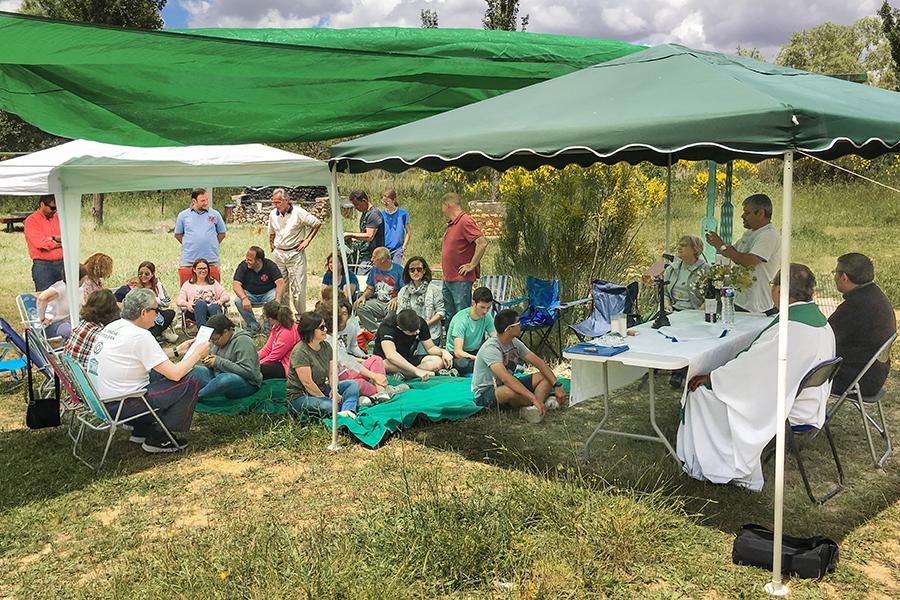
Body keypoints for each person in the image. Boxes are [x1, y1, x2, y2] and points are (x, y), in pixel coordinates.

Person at [676, 264, 836, 491]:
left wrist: (712, 377)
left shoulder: (790, 328)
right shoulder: (818, 319)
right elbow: (760, 368)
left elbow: (751, 370)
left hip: (792, 405)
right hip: (809, 399)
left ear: (779, 291)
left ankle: (712, 466)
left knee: (700, 393)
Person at [86, 288, 209, 453]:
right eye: (156, 310)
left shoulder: (114, 326)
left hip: (101, 400)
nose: (158, 315)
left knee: (156, 374)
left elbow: (143, 358)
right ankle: (160, 436)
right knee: (190, 379)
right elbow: (176, 374)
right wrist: (197, 354)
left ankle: (142, 428)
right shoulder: (140, 336)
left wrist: (176, 351)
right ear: (144, 313)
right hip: (121, 404)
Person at [471, 308, 568, 423]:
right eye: (518, 322)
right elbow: (505, 378)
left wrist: (557, 385)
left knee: (544, 377)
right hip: (486, 392)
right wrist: (533, 398)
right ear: (509, 329)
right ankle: (538, 403)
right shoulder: (491, 348)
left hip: (509, 384)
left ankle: (533, 410)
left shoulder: (515, 342)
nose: (521, 324)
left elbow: (539, 363)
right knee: (509, 391)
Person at [828, 253, 896, 396]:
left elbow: (825, 337)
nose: (834, 277)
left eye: (835, 273)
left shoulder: (856, 306)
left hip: (855, 380)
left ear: (844, 277)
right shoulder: (874, 294)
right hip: (874, 374)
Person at [319, 296, 407, 403]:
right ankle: (383, 392)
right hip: (338, 375)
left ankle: (380, 393)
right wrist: (372, 373)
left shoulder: (350, 327)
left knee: (376, 359)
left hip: (349, 368)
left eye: (345, 313)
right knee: (359, 383)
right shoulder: (326, 338)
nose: (343, 317)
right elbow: (344, 360)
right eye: (339, 314)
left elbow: (353, 347)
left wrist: (363, 356)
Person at [705, 194, 781, 314]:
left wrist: (722, 246)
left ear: (760, 213)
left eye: (747, 213)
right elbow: (732, 253)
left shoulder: (769, 235)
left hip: (757, 305)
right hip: (740, 300)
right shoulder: (750, 233)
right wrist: (717, 244)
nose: (742, 216)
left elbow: (749, 261)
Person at [287, 311, 360, 419]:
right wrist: (326, 398)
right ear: (311, 330)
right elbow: (307, 383)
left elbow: (331, 373)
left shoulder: (326, 346)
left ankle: (347, 412)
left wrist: (334, 390)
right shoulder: (300, 352)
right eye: (321, 328)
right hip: (300, 396)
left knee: (352, 385)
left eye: (325, 326)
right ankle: (342, 411)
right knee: (329, 405)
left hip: (321, 389)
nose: (325, 330)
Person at [268, 188, 321, 315]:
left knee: (298, 288)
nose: (275, 205)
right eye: (273, 202)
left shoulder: (298, 212)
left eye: (278, 202)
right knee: (281, 287)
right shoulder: (272, 214)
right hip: (279, 254)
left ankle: (301, 315)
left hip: (295, 253)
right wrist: (272, 246)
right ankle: (286, 316)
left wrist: (307, 240)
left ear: (286, 201)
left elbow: (317, 223)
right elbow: (271, 232)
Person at [183, 314, 262, 400]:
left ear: (226, 332)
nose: (214, 343)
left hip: (246, 383)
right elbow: (216, 362)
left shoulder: (243, 342)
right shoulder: (218, 340)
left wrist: (218, 362)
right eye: (211, 340)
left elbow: (249, 372)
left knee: (225, 380)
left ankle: (195, 397)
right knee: (192, 369)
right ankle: (182, 391)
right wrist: (209, 361)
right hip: (217, 375)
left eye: (216, 339)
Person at [440, 192, 488, 330]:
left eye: (442, 206)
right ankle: (451, 345)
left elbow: (482, 242)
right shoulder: (453, 223)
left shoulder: (465, 221)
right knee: (450, 315)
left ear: (448, 205)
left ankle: (464, 345)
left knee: (462, 314)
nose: (442, 209)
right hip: (449, 277)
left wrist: (471, 265)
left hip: (460, 279)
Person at [374, 308, 453, 380]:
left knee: (438, 361)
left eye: (417, 330)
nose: (416, 333)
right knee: (384, 363)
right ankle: (423, 373)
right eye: (412, 332)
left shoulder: (420, 322)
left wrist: (443, 352)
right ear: (400, 328)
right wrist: (416, 371)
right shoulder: (387, 326)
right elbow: (391, 355)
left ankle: (407, 375)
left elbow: (430, 348)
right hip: (387, 361)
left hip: (406, 359)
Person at [232, 246, 285, 334]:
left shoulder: (270, 265)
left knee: (274, 299)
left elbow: (280, 282)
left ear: (259, 261)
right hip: (250, 294)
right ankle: (253, 326)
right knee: (238, 300)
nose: (246, 261)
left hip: (267, 293)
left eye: (250, 260)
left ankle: (268, 327)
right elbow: (236, 284)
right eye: (246, 259)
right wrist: (244, 298)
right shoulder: (243, 266)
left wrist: (277, 300)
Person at [445, 287, 496, 375]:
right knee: (463, 364)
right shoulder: (461, 319)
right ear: (473, 303)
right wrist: (478, 359)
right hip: (458, 356)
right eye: (482, 307)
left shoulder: (487, 317)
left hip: (475, 352)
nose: (485, 311)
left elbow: (496, 338)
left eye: (488, 308)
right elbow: (458, 352)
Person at [64, 289, 119, 369]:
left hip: (70, 375)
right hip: (85, 379)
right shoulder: (100, 335)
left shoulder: (83, 324)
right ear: (110, 311)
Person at [394, 256, 444, 344]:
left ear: (424, 271)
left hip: (430, 332)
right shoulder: (403, 290)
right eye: (412, 270)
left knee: (422, 357)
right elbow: (400, 312)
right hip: (407, 332)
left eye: (419, 269)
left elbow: (441, 312)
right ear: (408, 272)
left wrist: (425, 325)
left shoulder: (434, 289)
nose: (415, 272)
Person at [354, 247, 404, 331]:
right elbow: (370, 288)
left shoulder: (399, 270)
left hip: (393, 304)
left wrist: (396, 299)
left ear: (383, 259)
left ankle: (386, 332)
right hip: (378, 302)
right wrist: (364, 296)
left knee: (393, 310)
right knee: (360, 306)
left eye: (374, 257)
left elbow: (405, 290)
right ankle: (375, 332)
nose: (371, 259)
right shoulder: (374, 270)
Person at [174, 188, 226, 269]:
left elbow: (222, 233)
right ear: (194, 201)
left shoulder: (215, 214)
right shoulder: (183, 216)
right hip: (189, 261)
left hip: (211, 260)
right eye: (202, 201)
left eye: (207, 200)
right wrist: (189, 244)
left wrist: (212, 243)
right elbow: (178, 234)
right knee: (187, 282)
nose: (206, 203)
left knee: (213, 281)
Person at [24, 194, 63, 291]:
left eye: (56, 208)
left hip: (62, 264)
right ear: (42, 204)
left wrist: (50, 239)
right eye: (52, 208)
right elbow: (41, 244)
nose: (54, 211)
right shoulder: (31, 221)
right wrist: (59, 242)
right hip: (44, 267)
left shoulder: (58, 218)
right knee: (45, 298)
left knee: (63, 298)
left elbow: (67, 237)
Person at [131, 261, 177, 342]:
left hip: (155, 313)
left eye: (147, 274)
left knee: (170, 313)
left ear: (152, 274)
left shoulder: (157, 285)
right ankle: (154, 336)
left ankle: (154, 335)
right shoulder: (135, 284)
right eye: (140, 273)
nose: (143, 276)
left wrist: (153, 297)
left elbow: (166, 302)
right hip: (140, 314)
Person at [177, 258, 230, 328]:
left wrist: (220, 301)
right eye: (200, 268)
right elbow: (179, 300)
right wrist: (187, 304)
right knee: (200, 304)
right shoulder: (188, 284)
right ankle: (203, 334)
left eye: (205, 268)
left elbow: (226, 296)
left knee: (214, 307)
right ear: (194, 270)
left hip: (212, 310)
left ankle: (216, 334)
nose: (203, 270)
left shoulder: (213, 283)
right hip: (195, 311)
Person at [343, 189, 384, 276]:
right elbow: (364, 233)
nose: (356, 208)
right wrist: (355, 239)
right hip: (364, 255)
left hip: (372, 257)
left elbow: (369, 236)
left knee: (362, 281)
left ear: (364, 201)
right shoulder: (365, 214)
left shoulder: (374, 214)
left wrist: (350, 234)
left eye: (357, 205)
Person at [663, 235, 709, 310]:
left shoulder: (706, 270)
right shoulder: (671, 269)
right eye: (679, 245)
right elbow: (664, 294)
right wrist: (667, 306)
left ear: (695, 249)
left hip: (695, 312)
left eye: (683, 245)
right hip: (673, 311)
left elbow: (714, 296)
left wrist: (699, 312)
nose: (679, 248)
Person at [258, 301, 300, 380]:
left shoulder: (287, 332)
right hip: (280, 361)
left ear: (270, 319)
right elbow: (267, 349)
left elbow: (274, 357)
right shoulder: (276, 326)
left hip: (288, 367)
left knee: (258, 369)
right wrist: (253, 358)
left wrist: (256, 364)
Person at [36, 268, 78, 339]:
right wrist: (42, 318)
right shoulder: (62, 287)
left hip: (69, 321)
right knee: (72, 332)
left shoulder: (80, 288)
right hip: (53, 323)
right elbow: (42, 298)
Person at [381, 188, 410, 264]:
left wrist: (404, 247)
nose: (385, 204)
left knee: (396, 271)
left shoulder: (403, 214)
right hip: (385, 249)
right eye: (383, 202)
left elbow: (408, 232)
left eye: (387, 202)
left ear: (393, 200)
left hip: (398, 249)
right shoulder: (381, 215)